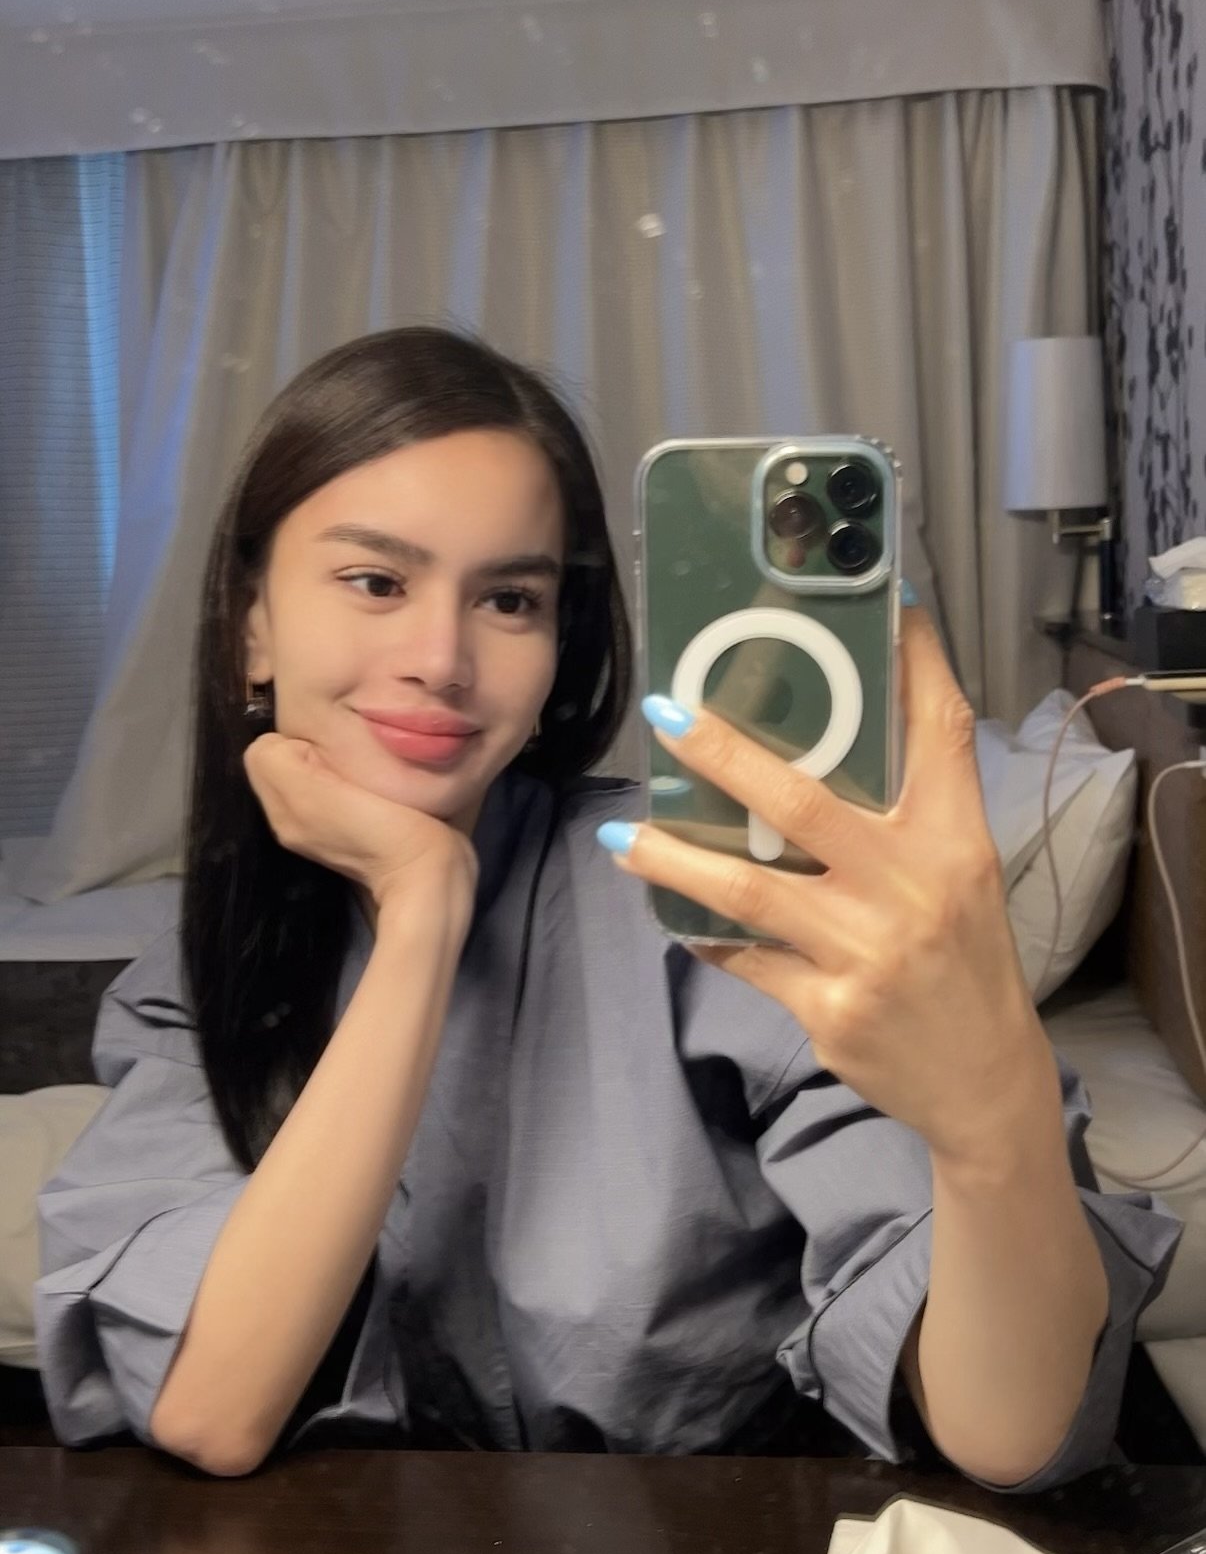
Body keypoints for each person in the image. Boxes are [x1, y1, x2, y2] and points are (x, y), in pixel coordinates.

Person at [35, 327, 1177, 1485]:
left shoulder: (704, 901)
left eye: (510, 599)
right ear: (252, 627)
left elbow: (1008, 1430)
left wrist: (996, 1117)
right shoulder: (197, 976)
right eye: (376, 582)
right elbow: (212, 1407)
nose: (441, 657)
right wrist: (425, 908)